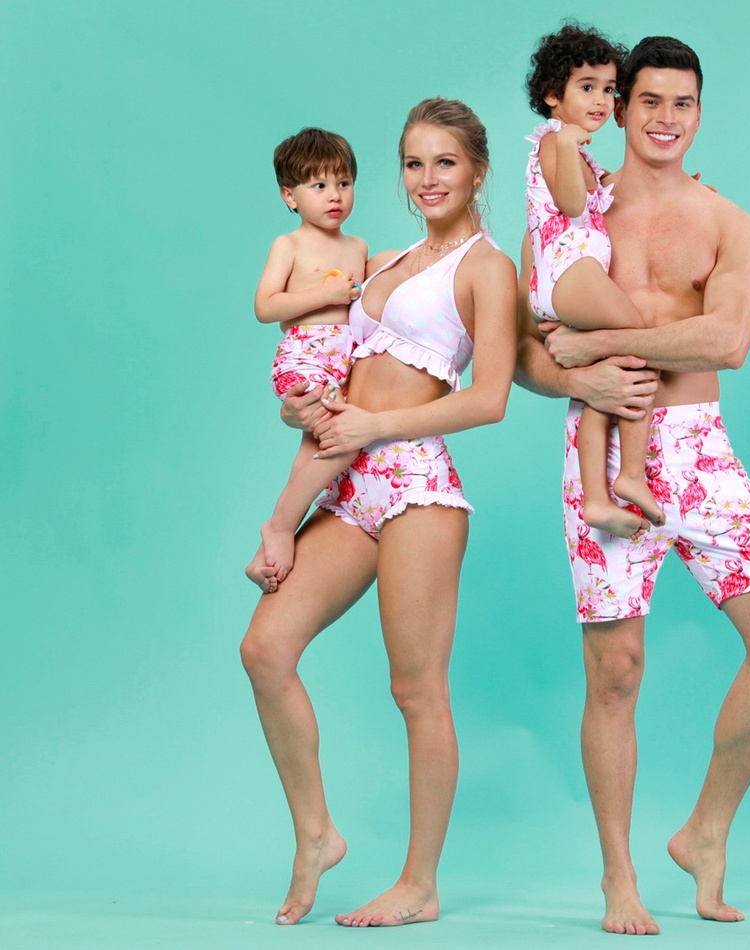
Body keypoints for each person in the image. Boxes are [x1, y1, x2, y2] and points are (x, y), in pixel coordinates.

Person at [516, 35, 750, 935]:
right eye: (648, 100)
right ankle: (620, 878)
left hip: (700, 451)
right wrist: (574, 372)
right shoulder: (573, 207)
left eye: (682, 103)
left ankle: (704, 832)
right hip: (601, 449)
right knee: (615, 672)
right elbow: (525, 354)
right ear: (619, 107)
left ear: (699, 113)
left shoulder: (733, 224)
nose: (665, 118)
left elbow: (728, 341)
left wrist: (594, 342)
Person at [240, 98, 517, 927]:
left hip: (415, 485)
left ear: (478, 172)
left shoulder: (486, 267)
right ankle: (316, 834)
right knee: (264, 650)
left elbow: (491, 398)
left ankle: (419, 885)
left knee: (416, 690)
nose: (427, 179)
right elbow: (332, 359)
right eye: (413, 163)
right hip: (348, 477)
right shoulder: (382, 258)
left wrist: (377, 426)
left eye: (445, 162)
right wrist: (301, 409)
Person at [525, 24, 664, 537]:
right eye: (587, 87)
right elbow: (571, 204)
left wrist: (678, 188)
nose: (602, 100)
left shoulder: (580, 152)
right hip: (571, 271)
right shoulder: (555, 142)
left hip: (571, 273)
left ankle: (599, 499)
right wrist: (567, 143)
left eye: (609, 89)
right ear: (552, 94)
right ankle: (630, 474)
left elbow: (609, 190)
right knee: (643, 341)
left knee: (605, 378)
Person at [245, 127, 366, 592]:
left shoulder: (358, 248)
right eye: (319, 185)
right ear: (289, 196)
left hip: (343, 361)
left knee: (314, 452)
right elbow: (265, 307)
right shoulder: (289, 245)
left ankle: (267, 553)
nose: (334, 195)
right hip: (306, 355)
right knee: (344, 441)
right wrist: (325, 294)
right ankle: (279, 526)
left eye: (343, 182)